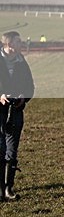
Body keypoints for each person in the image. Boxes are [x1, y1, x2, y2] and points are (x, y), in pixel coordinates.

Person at [0, 31, 35, 201]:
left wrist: (23, 97)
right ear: (9, 45)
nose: (21, 44)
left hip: (15, 112)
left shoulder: (22, 62)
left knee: (11, 151)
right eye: (18, 41)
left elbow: (30, 85)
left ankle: (8, 189)